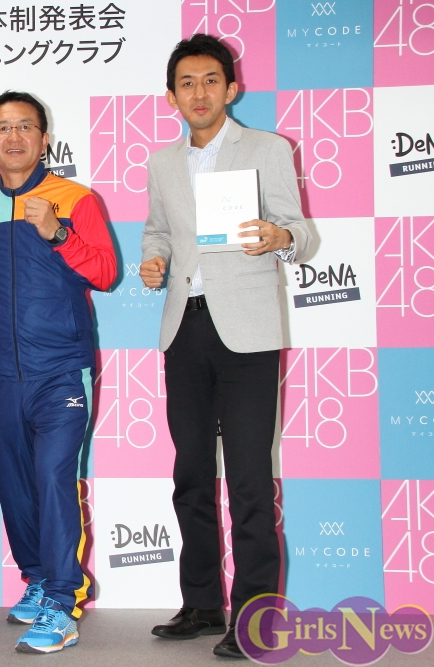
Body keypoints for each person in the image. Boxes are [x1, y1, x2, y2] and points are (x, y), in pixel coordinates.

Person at [140, 34, 313, 659]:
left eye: (210, 80)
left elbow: (301, 231)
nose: (199, 92)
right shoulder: (161, 163)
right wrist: (154, 260)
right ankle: (202, 603)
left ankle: (258, 617)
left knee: (248, 479)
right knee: (190, 473)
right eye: (186, 83)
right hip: (184, 328)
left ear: (231, 88)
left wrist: (279, 237)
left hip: (247, 331)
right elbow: (158, 231)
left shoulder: (267, 149)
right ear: (171, 97)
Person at [0, 91, 117, 654]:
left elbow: (106, 273)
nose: (14, 136)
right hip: (0, 371)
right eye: (3, 128)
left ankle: (64, 603)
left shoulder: (76, 199)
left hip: (61, 370)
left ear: (44, 138)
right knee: (13, 483)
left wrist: (59, 233)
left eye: (25, 126)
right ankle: (39, 578)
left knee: (52, 478)